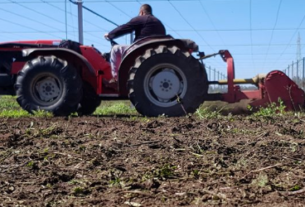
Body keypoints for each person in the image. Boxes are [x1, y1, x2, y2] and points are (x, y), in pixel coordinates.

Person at [103, 4, 166, 89]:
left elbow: (124, 28)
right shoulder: (159, 23)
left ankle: (116, 79)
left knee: (115, 49)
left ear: (141, 12)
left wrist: (110, 35)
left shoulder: (142, 19)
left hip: (141, 48)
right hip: (156, 51)